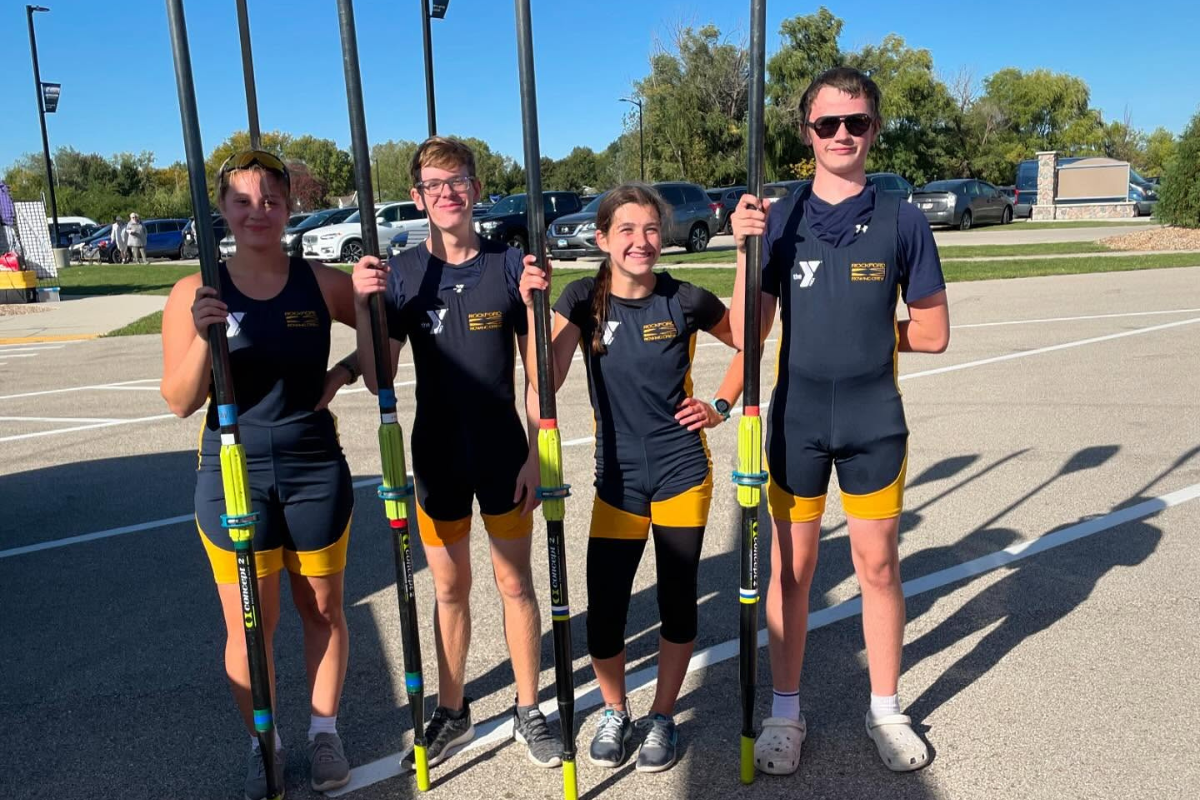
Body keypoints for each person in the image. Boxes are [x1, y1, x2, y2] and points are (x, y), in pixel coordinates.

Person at [730, 67, 951, 776]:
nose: (842, 135)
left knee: (876, 565)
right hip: (796, 422)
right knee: (792, 571)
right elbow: (749, 330)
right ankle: (786, 713)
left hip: (872, 419)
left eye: (856, 122)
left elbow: (935, 330)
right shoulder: (779, 216)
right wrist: (744, 249)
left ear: (875, 128)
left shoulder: (902, 218)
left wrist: (870, 335)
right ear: (808, 134)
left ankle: (885, 707)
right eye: (828, 124)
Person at [351, 136, 562, 771]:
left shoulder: (508, 265)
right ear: (417, 198)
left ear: (475, 188)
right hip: (437, 455)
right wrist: (367, 307)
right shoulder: (404, 274)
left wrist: (536, 453)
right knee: (450, 588)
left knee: (515, 583)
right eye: (434, 185)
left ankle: (530, 708)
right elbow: (376, 377)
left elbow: (539, 375)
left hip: (504, 453)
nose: (447, 193)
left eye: (458, 181)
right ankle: (453, 707)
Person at [519, 183, 744, 773]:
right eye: (626, 231)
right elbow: (547, 381)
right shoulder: (580, 299)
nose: (641, 241)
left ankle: (664, 716)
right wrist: (532, 310)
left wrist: (721, 406)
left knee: (676, 599)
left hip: (681, 471)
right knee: (607, 609)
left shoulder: (686, 298)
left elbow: (750, 338)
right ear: (602, 240)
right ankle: (615, 710)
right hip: (617, 476)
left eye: (650, 229)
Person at [160, 150, 361, 798]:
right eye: (242, 201)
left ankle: (324, 733)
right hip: (232, 469)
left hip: (313, 465)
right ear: (222, 210)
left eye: (270, 200)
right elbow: (177, 399)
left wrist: (349, 371)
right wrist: (200, 336)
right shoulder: (197, 289)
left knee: (322, 608)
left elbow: (388, 329)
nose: (258, 212)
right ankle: (264, 743)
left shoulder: (321, 282)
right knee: (252, 621)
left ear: (289, 206)